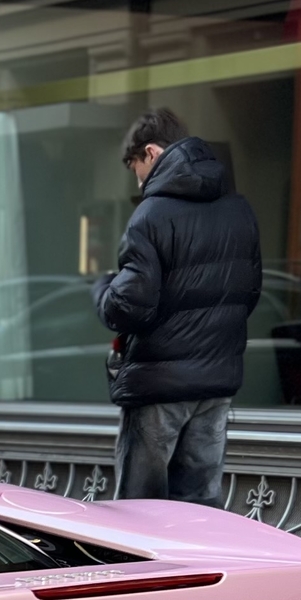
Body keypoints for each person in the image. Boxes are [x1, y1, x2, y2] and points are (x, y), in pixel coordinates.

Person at [94, 108, 262, 505]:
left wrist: (102, 290)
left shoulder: (150, 216)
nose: (137, 178)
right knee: (201, 507)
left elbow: (128, 306)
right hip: (217, 381)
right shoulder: (239, 210)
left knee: (142, 509)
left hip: (159, 385)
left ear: (151, 153)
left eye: (136, 166)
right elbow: (250, 292)